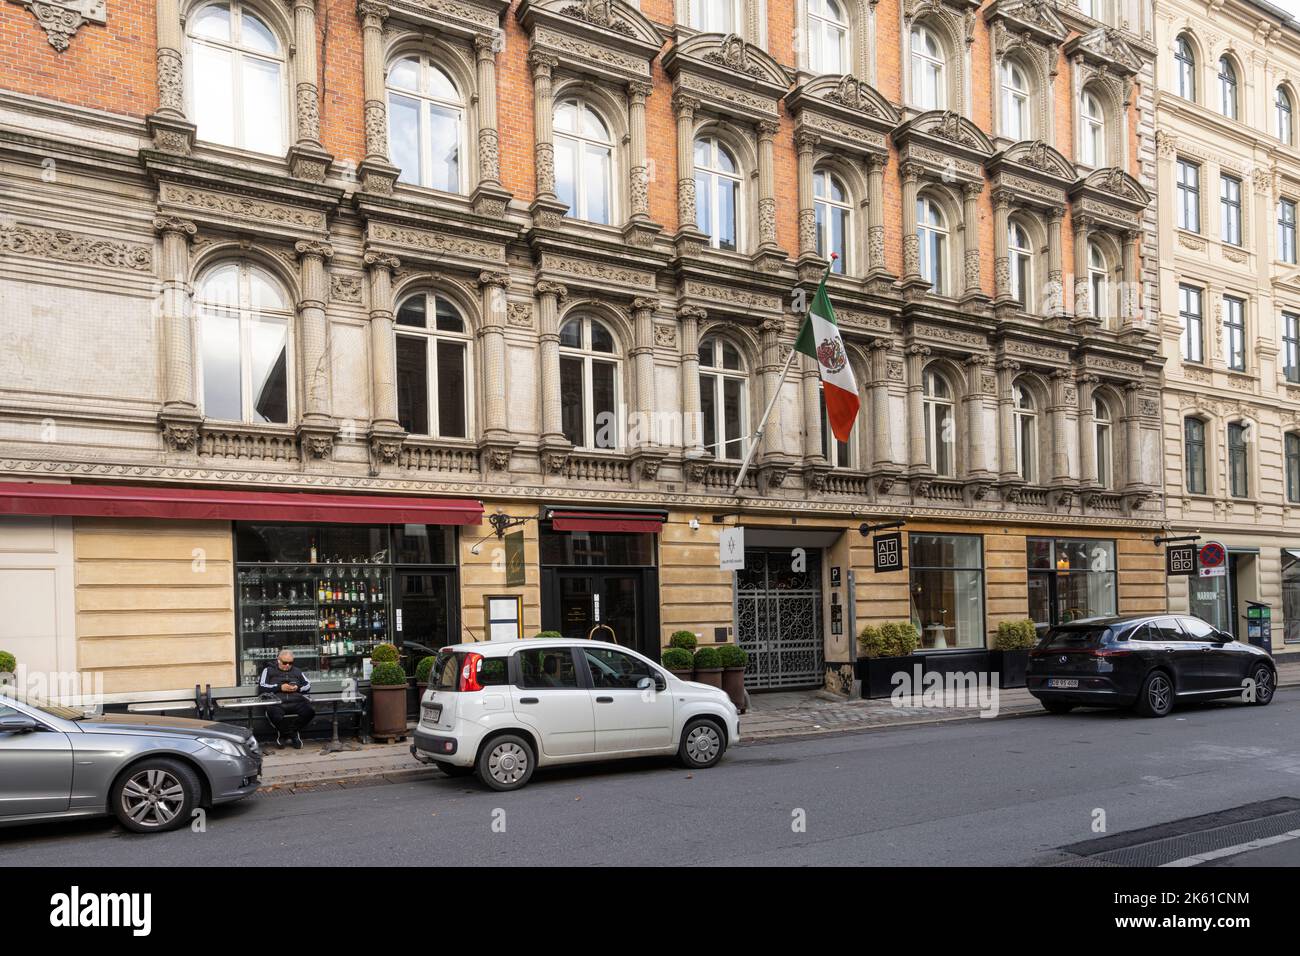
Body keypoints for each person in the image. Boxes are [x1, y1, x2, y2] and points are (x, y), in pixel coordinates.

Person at [257, 650, 314, 748]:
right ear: (278, 660)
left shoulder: (297, 671)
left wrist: (298, 688)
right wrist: (280, 687)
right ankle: (292, 735)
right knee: (274, 715)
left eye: (290, 663)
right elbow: (262, 687)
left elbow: (308, 685)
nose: (288, 665)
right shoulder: (268, 670)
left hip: (296, 700)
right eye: (285, 662)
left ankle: (289, 732)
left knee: (310, 712)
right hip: (277, 702)